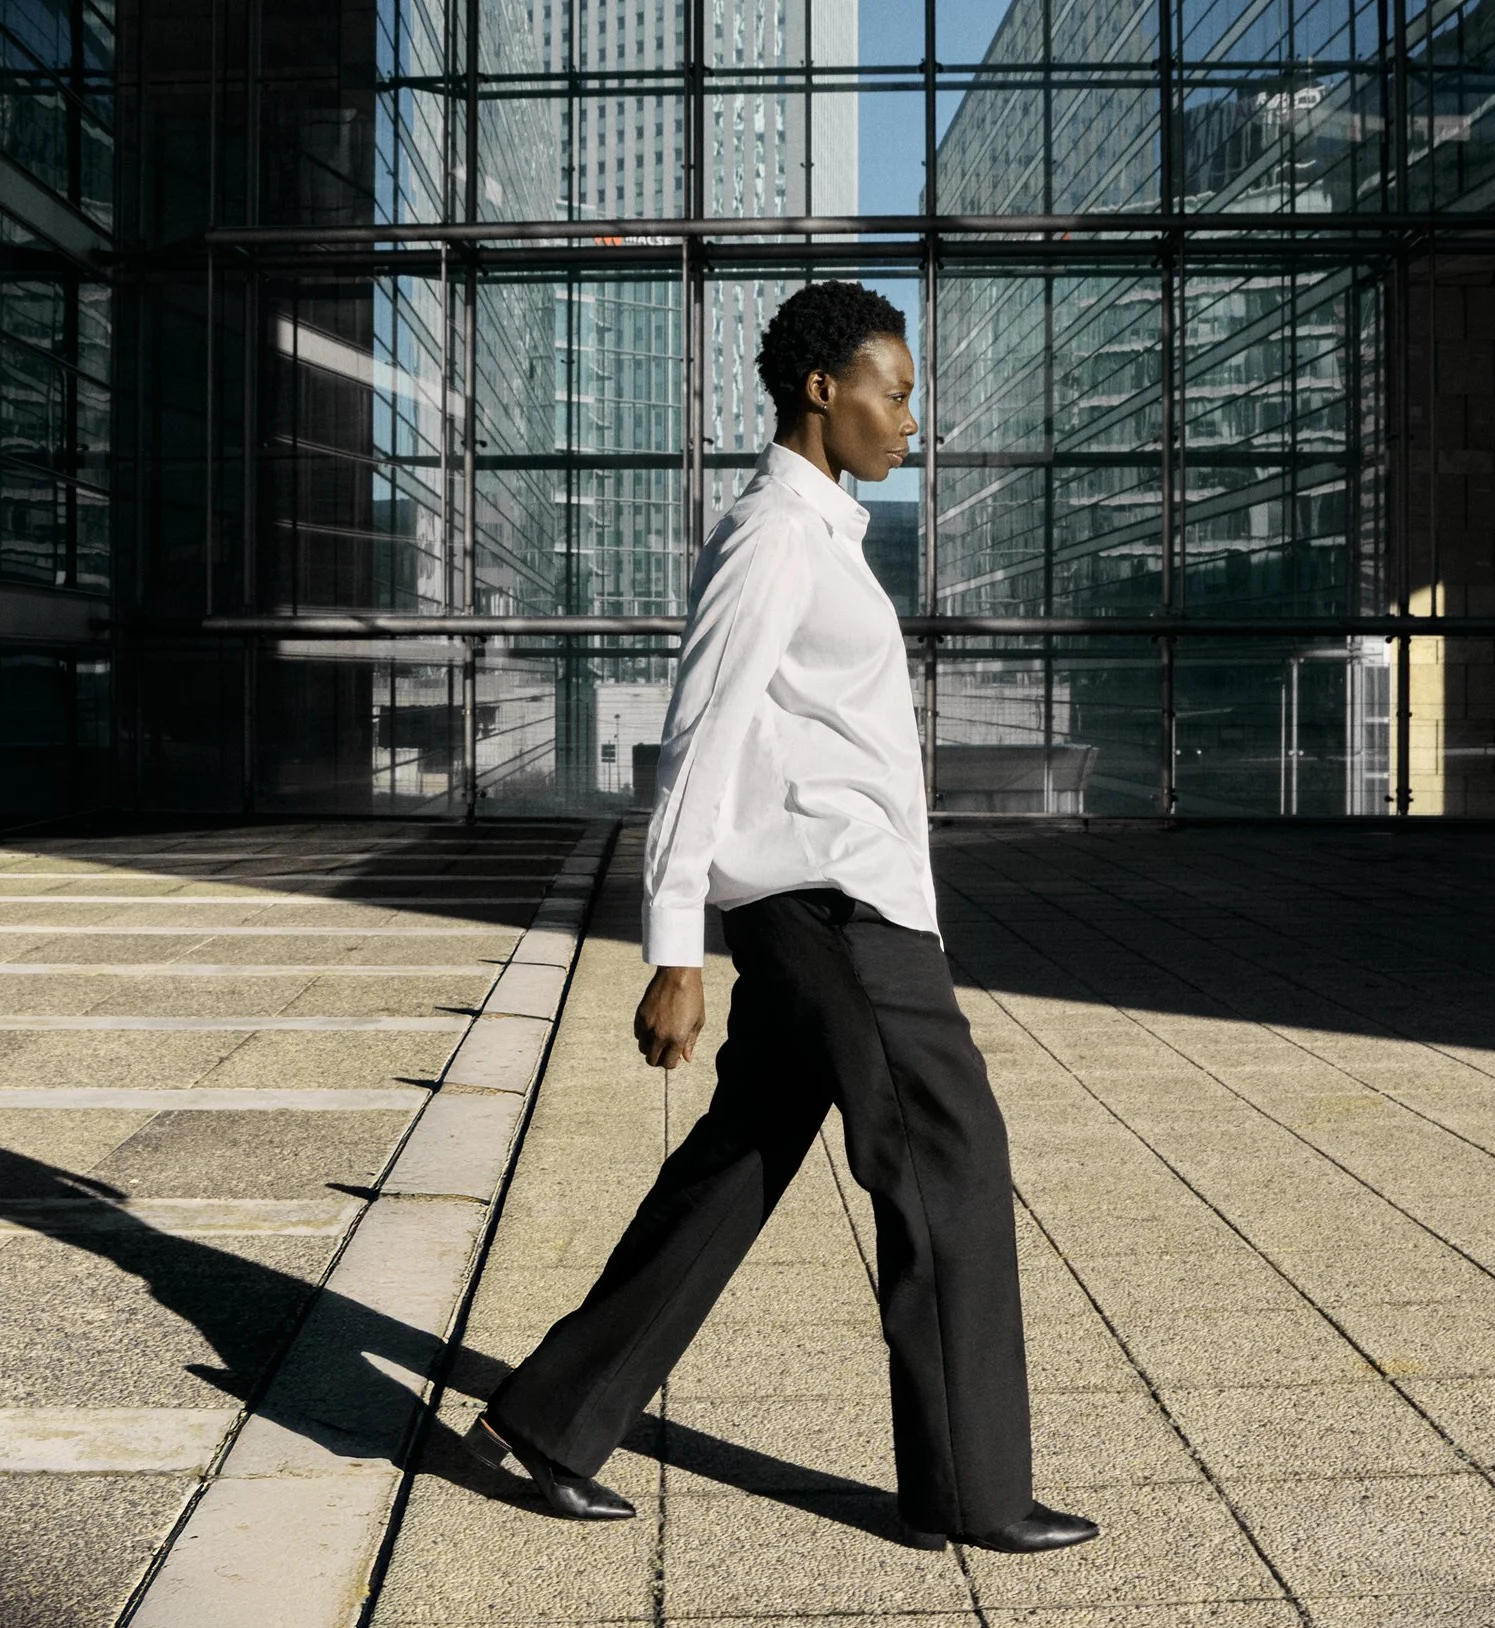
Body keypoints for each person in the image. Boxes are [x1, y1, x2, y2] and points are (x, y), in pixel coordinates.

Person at [464, 281, 1096, 1556]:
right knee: (950, 1159)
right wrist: (673, 949)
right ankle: (971, 1490)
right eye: (895, 390)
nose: (910, 417)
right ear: (824, 389)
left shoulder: (824, 535)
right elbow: (697, 737)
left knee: (742, 1157)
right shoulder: (771, 536)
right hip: (831, 914)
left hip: (845, 907)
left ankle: (550, 1416)